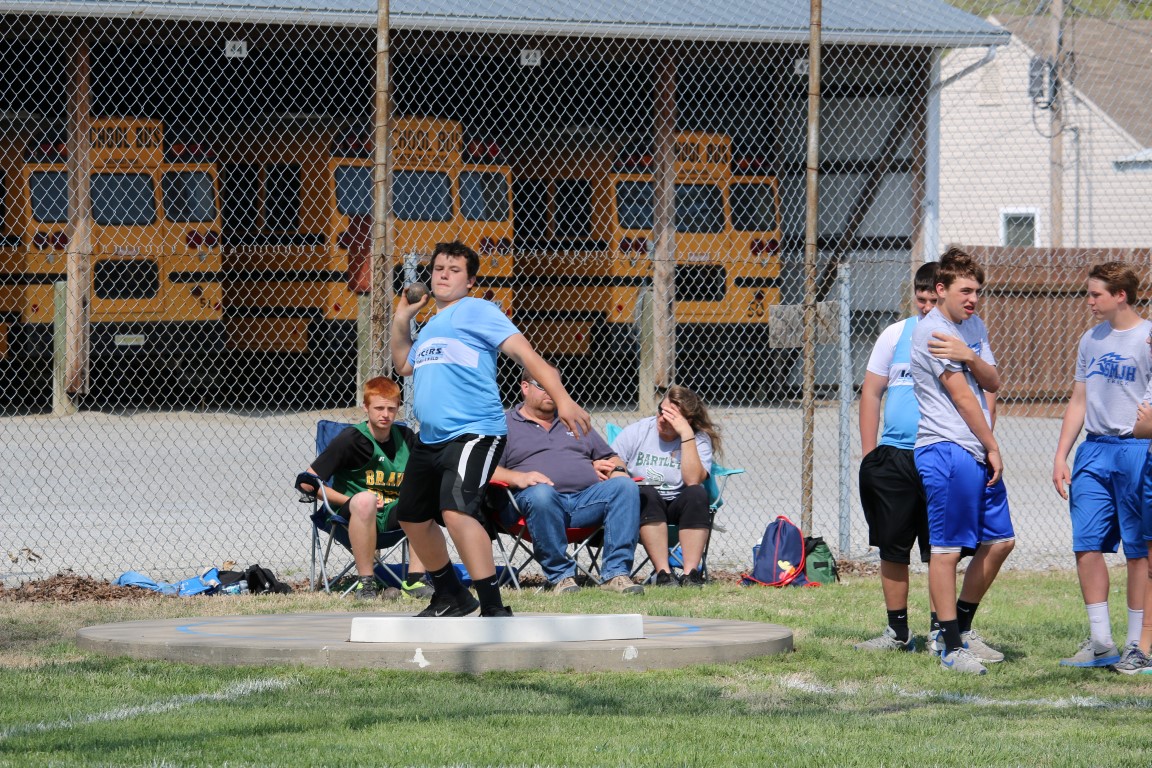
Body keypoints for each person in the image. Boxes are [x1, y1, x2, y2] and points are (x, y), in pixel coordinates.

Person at [390, 241, 591, 618]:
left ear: (470, 281)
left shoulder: (478, 310)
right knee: (411, 517)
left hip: (474, 432)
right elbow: (403, 364)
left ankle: (494, 606)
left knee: (456, 512)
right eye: (438, 269)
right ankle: (450, 595)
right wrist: (402, 318)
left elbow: (527, 355)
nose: (443, 275)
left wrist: (562, 399)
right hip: (431, 438)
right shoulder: (431, 327)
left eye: (454, 270)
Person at [910, 247, 1015, 675]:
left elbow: (992, 381)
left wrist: (970, 354)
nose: (973, 299)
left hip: (974, 447)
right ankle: (950, 646)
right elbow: (963, 398)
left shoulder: (973, 325)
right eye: (965, 291)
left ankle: (961, 627)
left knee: (1001, 540)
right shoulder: (932, 331)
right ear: (941, 290)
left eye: (977, 291)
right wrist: (992, 445)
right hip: (947, 448)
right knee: (947, 550)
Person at [1052, 262, 1150, 669]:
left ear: (1120, 295)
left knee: (1138, 550)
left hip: (1137, 450)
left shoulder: (1147, 338)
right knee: (1086, 544)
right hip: (1093, 450)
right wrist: (1061, 454)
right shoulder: (1090, 339)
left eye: (1096, 294)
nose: (1089, 301)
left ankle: (1137, 644)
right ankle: (1101, 641)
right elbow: (1079, 399)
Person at [491, 367, 643, 594]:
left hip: (584, 502)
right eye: (543, 385)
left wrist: (618, 471)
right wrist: (519, 477)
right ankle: (561, 577)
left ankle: (616, 574)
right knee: (542, 493)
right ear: (525, 387)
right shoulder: (504, 425)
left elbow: (610, 457)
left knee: (625, 486)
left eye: (556, 386)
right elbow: (486, 470)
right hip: (533, 505)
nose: (551, 391)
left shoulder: (572, 419)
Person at [854, 262, 939, 652]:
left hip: (938, 455)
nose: (927, 307)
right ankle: (898, 632)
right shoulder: (895, 334)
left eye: (933, 300)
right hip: (894, 458)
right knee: (893, 547)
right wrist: (871, 455)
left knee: (940, 550)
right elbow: (872, 393)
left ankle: (942, 631)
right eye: (921, 300)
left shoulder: (960, 337)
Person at [295, 377, 430, 601]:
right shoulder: (351, 440)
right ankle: (366, 583)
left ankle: (415, 580)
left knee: (423, 498)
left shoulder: (406, 438)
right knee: (365, 500)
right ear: (365, 407)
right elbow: (306, 482)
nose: (385, 414)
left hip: (393, 515)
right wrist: (349, 500)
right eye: (379, 408)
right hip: (351, 517)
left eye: (391, 409)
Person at [611, 385, 719, 587]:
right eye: (661, 411)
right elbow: (612, 460)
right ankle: (664, 574)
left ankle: (690, 574)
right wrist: (619, 471)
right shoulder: (639, 431)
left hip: (680, 506)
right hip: (645, 506)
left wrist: (686, 434)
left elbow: (693, 480)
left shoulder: (698, 438)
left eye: (671, 417)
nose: (662, 419)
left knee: (697, 493)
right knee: (646, 493)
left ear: (687, 420)